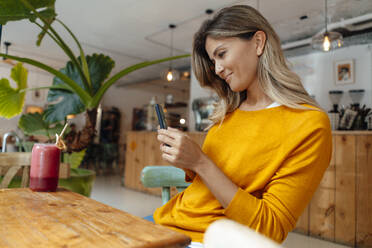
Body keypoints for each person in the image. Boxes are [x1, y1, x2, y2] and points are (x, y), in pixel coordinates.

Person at [153, 5, 332, 245]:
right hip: (167, 223)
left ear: (258, 42)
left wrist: (200, 161)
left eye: (222, 53)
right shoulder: (227, 113)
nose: (216, 70)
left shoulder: (309, 124)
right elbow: (222, 177)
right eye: (212, 60)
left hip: (210, 239)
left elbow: (270, 228)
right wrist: (188, 160)